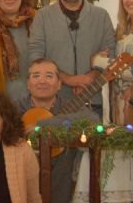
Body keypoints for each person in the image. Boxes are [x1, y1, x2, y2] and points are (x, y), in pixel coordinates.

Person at [28, 0, 115, 119]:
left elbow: (110, 53)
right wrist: (67, 79)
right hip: (54, 102)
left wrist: (90, 77)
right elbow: (36, 56)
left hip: (92, 99)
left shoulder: (101, 16)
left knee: (91, 143)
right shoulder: (42, 16)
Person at [16, 58, 98, 203]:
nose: (42, 81)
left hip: (63, 179)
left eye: (49, 76)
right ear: (28, 84)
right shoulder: (15, 109)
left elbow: (93, 120)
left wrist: (43, 124)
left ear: (59, 84)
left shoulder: (70, 106)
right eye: (36, 76)